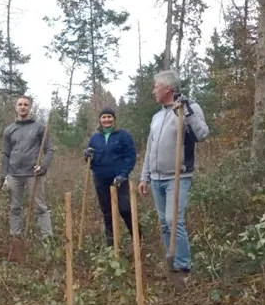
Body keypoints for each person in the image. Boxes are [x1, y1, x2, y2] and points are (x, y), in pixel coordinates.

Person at [139, 70, 210, 275]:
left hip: (178, 177)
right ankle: (171, 261)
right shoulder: (157, 116)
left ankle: (183, 266)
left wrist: (186, 111)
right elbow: (150, 148)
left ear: (167, 88)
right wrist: (145, 177)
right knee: (163, 223)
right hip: (156, 178)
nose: (153, 91)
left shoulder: (188, 108)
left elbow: (203, 134)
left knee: (173, 220)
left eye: (156, 87)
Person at [1, 95, 53, 239]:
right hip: (14, 175)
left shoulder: (40, 127)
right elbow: (5, 153)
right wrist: (3, 174)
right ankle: (16, 238)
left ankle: (47, 239)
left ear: (30, 107)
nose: (23, 107)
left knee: (40, 207)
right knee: (15, 208)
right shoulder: (9, 130)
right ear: (16, 107)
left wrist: (43, 167)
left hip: (33, 174)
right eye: (20, 104)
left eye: (26, 104)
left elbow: (49, 149)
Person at [84, 108, 138, 246]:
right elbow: (91, 162)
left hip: (119, 179)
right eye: (104, 117)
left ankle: (138, 238)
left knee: (125, 209)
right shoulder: (95, 138)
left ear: (114, 119)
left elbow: (131, 156)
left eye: (109, 117)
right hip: (101, 179)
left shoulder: (123, 136)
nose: (106, 120)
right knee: (107, 212)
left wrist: (123, 174)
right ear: (100, 120)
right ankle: (111, 244)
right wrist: (87, 156)